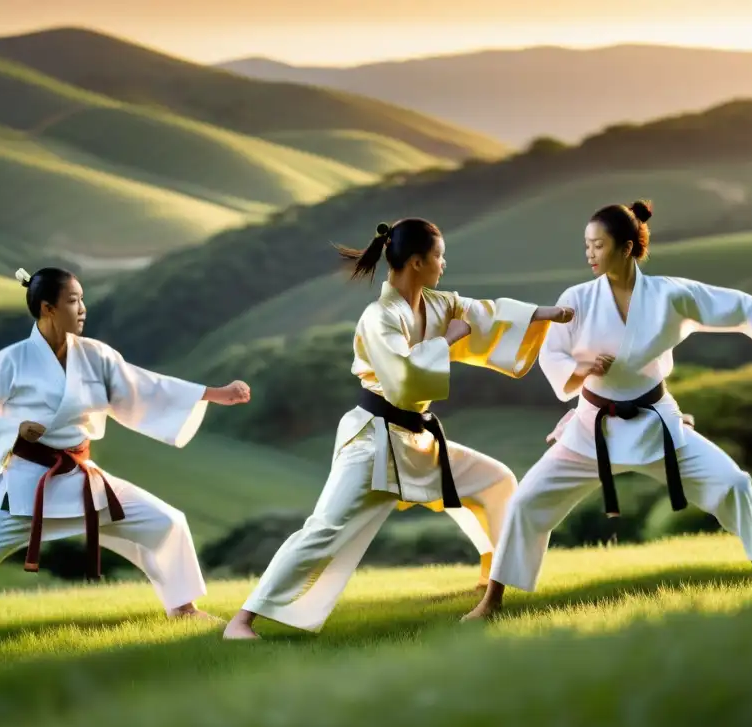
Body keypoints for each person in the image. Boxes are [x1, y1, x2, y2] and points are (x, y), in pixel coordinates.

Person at [463, 199, 752, 621]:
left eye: (598, 245)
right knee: (526, 502)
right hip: (591, 429)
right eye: (587, 246)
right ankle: (493, 601)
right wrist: (581, 371)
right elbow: (552, 353)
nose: (590, 254)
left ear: (627, 247)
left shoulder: (669, 294)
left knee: (735, 483)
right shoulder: (576, 299)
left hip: (658, 427)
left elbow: (737, 306)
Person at [222, 219, 574, 640]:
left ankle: (491, 579)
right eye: (439, 257)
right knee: (325, 529)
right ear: (416, 261)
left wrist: (544, 315)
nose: (444, 264)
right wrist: (446, 342)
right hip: (373, 443)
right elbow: (404, 377)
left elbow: (484, 312)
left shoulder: (437, 303)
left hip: (419, 442)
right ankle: (241, 621)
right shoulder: (379, 317)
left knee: (497, 481)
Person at [0, 267, 251, 653]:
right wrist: (15, 433)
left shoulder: (95, 356)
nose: (83, 308)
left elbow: (143, 386)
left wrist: (215, 393)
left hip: (83, 480)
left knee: (167, 522)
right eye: (73, 301)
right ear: (48, 308)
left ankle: (183, 608)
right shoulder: (12, 361)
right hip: (27, 485)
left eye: (82, 299)